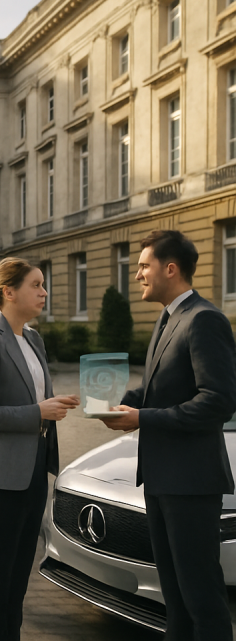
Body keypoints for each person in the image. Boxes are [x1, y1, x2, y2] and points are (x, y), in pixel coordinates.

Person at [103, 230, 236, 641]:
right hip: (161, 480)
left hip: (191, 484)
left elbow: (218, 402)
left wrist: (144, 417)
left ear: (170, 268)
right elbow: (157, 388)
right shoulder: (167, 317)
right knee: (174, 598)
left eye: (144, 265)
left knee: (201, 598)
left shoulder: (204, 319)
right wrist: (124, 404)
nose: (138, 274)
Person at [0, 258, 79, 641]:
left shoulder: (33, 339)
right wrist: (36, 412)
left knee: (17, 573)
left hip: (33, 469)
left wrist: (52, 404)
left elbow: (33, 397)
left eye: (43, 284)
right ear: (8, 292)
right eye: (36, 284)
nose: (44, 292)